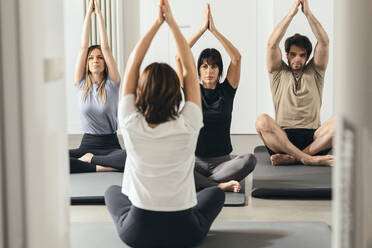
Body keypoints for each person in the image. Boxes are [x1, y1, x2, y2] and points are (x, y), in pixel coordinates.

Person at [104, 0, 225, 247]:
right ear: (175, 93)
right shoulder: (189, 123)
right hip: (185, 232)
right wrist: (172, 24)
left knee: (112, 193)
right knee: (216, 193)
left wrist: (156, 24)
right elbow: (190, 68)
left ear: (140, 92)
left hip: (138, 233)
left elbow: (132, 65)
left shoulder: (129, 121)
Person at [175, 4, 256, 192]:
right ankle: (218, 185)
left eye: (213, 66)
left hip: (222, 164)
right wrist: (202, 30)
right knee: (174, 163)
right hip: (195, 161)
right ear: (198, 70)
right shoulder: (192, 90)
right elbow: (180, 56)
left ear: (219, 70)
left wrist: (215, 31)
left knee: (250, 160)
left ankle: (202, 183)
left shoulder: (227, 90)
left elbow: (236, 57)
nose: (209, 71)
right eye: (204, 66)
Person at [256, 0, 334, 166]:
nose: (297, 59)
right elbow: (271, 44)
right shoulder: (278, 72)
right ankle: (307, 159)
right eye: (293, 54)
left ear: (307, 57)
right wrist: (291, 13)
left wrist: (308, 14)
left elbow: (324, 42)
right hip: (283, 139)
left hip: (313, 139)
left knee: (343, 120)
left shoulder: (315, 71)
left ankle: (298, 157)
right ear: (286, 55)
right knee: (261, 121)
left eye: (302, 55)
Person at [69, 0, 126, 173]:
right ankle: (102, 166)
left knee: (130, 157)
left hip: (111, 145)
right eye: (91, 58)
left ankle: (92, 163)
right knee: (56, 159)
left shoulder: (113, 83)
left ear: (105, 62)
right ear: (86, 63)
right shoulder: (80, 84)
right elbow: (82, 48)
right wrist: (88, 14)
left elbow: (106, 47)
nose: (95, 61)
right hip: (87, 144)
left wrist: (99, 15)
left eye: (100, 57)